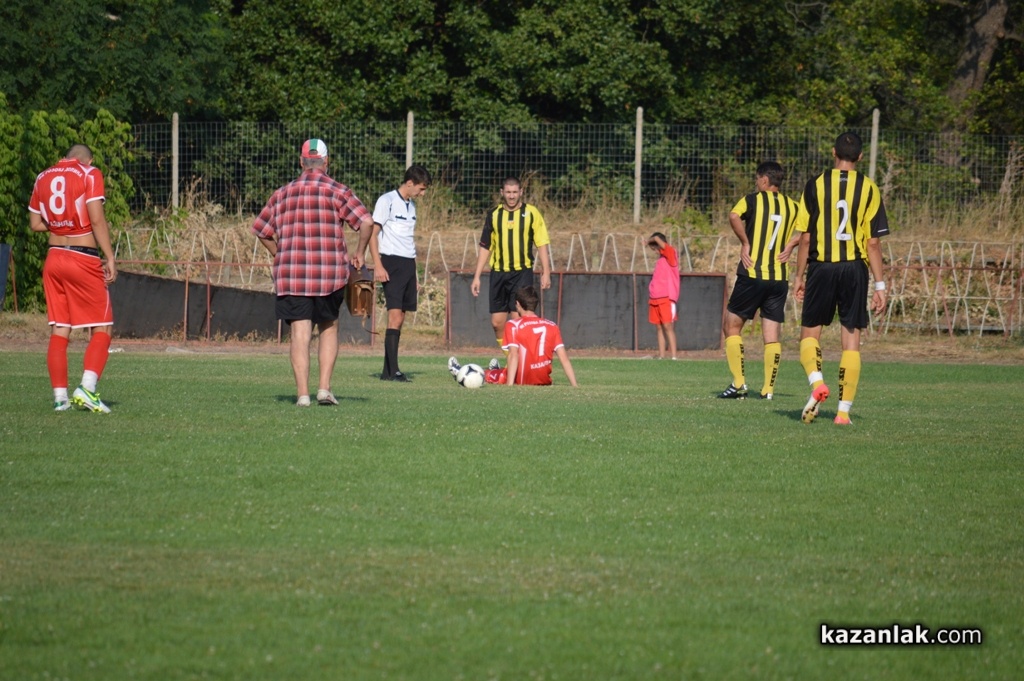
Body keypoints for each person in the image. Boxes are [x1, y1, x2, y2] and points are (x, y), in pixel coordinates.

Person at [252, 138, 375, 407]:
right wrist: (360, 252)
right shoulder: (338, 191)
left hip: (292, 274)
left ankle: (302, 395)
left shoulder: (281, 194)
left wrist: (279, 253)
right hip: (330, 275)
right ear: (326, 162)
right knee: (329, 327)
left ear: (301, 161)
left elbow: (261, 230)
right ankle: (324, 389)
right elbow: (367, 222)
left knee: (300, 333)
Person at [793, 131, 889, 425]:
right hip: (854, 268)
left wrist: (798, 276)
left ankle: (817, 383)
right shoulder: (869, 188)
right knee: (851, 340)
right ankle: (843, 413)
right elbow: (873, 243)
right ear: (860, 156)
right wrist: (880, 285)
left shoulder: (815, 184)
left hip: (822, 266)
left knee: (810, 335)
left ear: (833, 152)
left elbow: (805, 238)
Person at [28, 144, 117, 413]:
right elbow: (97, 219)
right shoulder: (89, 173)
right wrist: (109, 256)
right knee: (102, 326)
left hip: (54, 258)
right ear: (88, 159)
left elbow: (35, 224)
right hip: (82, 257)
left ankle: (60, 399)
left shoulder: (42, 177)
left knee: (60, 328)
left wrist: (61, 223)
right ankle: (87, 388)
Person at [718, 161, 802, 400]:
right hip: (779, 279)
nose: (756, 183)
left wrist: (745, 242)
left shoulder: (752, 200)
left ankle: (739, 383)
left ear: (764, 180)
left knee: (731, 326)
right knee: (771, 335)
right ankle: (768, 390)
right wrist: (791, 244)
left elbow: (733, 215)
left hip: (752, 273)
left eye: (757, 179)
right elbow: (811, 228)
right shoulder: (793, 206)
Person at [470, 176, 552, 352]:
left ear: (521, 192)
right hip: (498, 273)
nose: (512, 196)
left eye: (515, 192)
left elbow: (542, 243)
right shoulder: (494, 215)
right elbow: (485, 246)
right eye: (508, 192)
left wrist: (546, 272)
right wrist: (477, 276)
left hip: (522, 273)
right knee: (497, 323)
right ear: (502, 193)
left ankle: (521, 361)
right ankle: (510, 358)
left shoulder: (531, 213)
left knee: (518, 321)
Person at [367, 165, 431, 381]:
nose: (422, 194)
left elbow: (409, 241)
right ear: (410, 183)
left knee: (401, 317)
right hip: (391, 263)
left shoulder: (411, 206)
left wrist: (415, 275)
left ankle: (387, 372)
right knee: (394, 316)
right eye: (421, 189)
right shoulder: (386, 201)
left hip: (407, 264)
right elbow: (373, 234)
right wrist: (378, 265)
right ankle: (394, 371)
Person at [449, 286, 577, 387]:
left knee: (486, 375)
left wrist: (509, 386)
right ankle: (497, 370)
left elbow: (513, 355)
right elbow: (564, 358)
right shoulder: (552, 326)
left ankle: (459, 371)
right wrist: (575, 385)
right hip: (544, 381)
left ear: (518, 304)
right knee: (504, 371)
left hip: (521, 380)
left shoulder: (514, 325)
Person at [647, 232, 679, 360]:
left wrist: (652, 239)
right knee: (659, 327)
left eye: (655, 248)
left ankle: (674, 356)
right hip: (654, 298)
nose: (655, 251)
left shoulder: (671, 254)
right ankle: (661, 356)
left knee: (667, 326)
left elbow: (657, 239)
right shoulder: (660, 260)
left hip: (666, 297)